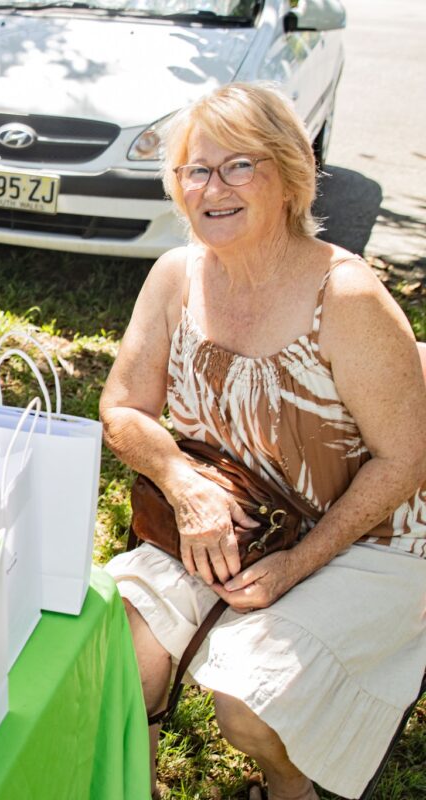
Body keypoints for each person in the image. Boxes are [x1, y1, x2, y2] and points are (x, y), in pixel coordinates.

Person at [100, 83, 426, 800]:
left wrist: (299, 564)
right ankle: (133, 783)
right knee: (115, 651)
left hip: (358, 541)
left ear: (290, 175)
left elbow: (405, 460)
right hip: (224, 525)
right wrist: (184, 485)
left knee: (250, 702)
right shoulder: (173, 276)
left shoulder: (345, 296)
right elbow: (123, 409)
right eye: (194, 169)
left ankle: (290, 786)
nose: (211, 188)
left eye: (239, 166)